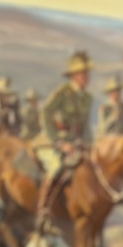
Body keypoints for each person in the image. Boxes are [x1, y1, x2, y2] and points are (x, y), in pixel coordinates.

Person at [33, 51, 94, 217]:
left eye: (86, 74)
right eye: (82, 74)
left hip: (75, 142)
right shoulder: (62, 93)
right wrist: (59, 142)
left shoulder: (88, 98)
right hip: (53, 140)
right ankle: (43, 207)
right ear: (73, 76)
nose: (85, 77)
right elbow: (45, 113)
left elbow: (85, 125)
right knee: (56, 167)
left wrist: (90, 145)